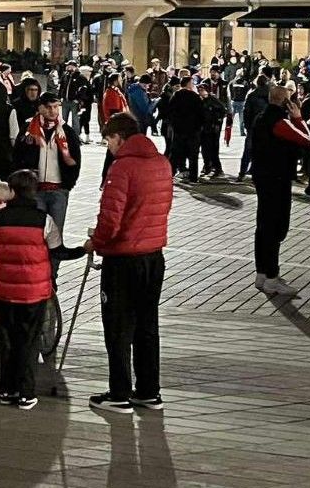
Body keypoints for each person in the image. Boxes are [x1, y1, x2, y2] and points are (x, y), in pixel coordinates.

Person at [86, 112, 172, 414]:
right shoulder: (162, 163)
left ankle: (119, 392)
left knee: (119, 326)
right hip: (153, 255)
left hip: (123, 259)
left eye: (108, 139)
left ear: (119, 137)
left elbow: (111, 218)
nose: (108, 146)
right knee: (147, 325)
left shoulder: (122, 167)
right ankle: (149, 390)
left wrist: (95, 241)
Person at [0, 171, 53, 409]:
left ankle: (7, 390)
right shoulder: (43, 219)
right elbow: (57, 249)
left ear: (12, 191)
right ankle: (26, 393)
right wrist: (82, 249)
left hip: (5, 291)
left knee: (8, 340)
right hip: (35, 291)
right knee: (30, 340)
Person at [249, 87, 310, 296]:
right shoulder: (280, 122)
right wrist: (298, 118)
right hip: (277, 179)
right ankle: (272, 278)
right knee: (275, 227)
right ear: (285, 103)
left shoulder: (260, 118)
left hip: (262, 177)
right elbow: (306, 139)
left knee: (263, 225)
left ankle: (262, 273)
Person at [12, 91, 80, 242]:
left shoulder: (66, 131)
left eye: (56, 107)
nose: (53, 111)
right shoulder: (28, 129)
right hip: (34, 191)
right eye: (49, 107)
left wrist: (68, 184)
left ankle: (53, 266)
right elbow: (17, 156)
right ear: (40, 108)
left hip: (58, 190)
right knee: (35, 235)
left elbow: (75, 159)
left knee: (55, 237)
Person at [165, 73, 205, 182]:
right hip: (193, 130)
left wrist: (174, 125)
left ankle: (170, 174)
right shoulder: (195, 96)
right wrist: (199, 126)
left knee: (176, 153)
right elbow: (202, 113)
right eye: (192, 83)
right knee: (193, 155)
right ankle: (193, 177)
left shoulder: (176, 96)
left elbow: (170, 112)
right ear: (188, 84)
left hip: (179, 130)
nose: (193, 85)